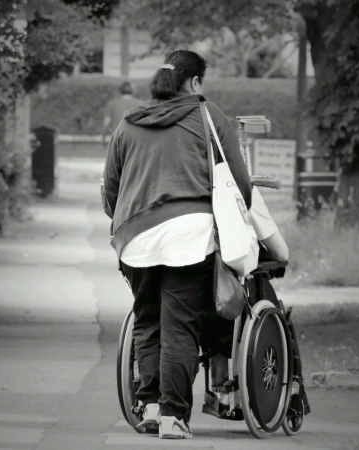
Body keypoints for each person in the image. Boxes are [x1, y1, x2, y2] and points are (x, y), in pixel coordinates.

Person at [101, 50, 252, 439]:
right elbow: (239, 182)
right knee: (180, 326)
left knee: (147, 321)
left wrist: (125, 220)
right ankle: (173, 416)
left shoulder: (128, 122)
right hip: (190, 235)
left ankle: (149, 406)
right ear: (195, 82)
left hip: (134, 237)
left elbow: (112, 191)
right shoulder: (208, 115)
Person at [101, 81, 141, 150]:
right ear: (132, 90)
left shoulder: (111, 103)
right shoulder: (140, 104)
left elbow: (106, 123)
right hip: (134, 140)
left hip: (117, 139)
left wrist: (103, 138)